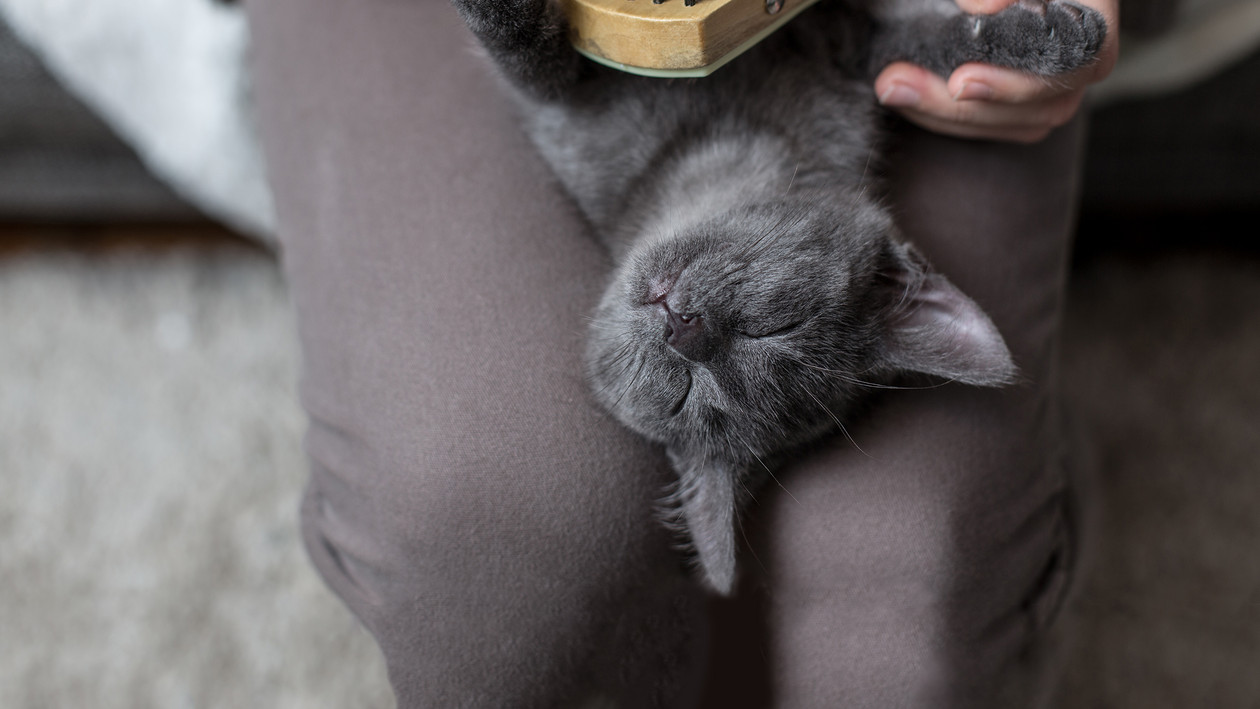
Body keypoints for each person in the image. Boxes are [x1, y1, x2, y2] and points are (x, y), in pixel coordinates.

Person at [244, 0, 1117, 704]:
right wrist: (974, 41)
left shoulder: (616, 165)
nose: (686, 334)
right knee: (500, 557)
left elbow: (564, 83)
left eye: (675, 390)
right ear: (894, 281)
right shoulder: (842, 172)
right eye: (763, 330)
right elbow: (859, 44)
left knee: (898, 609)